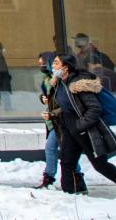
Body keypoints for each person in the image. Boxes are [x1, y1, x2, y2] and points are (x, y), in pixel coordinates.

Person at [50, 54, 116, 195]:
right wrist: (55, 113)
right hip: (69, 127)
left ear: (66, 66)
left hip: (85, 130)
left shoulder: (78, 84)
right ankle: (68, 194)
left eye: (56, 63)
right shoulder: (59, 83)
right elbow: (68, 106)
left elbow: (94, 109)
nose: (53, 66)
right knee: (66, 162)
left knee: (100, 164)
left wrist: (80, 126)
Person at [35, 51, 82, 189]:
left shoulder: (62, 79)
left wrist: (53, 114)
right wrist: (43, 98)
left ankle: (52, 179)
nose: (42, 65)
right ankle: (76, 181)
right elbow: (49, 96)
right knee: (65, 151)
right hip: (54, 121)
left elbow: (66, 102)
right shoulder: (48, 79)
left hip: (62, 120)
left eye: (44, 62)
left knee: (56, 149)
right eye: (39, 63)